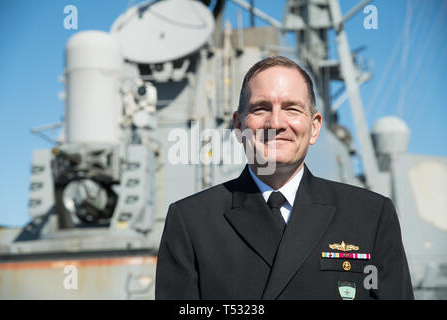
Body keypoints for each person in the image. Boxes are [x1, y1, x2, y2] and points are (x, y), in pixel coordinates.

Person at [155, 56, 414, 300]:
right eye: (261, 108)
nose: (276, 122)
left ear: (314, 128)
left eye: (291, 108)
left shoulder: (371, 216)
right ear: (238, 126)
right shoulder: (191, 222)